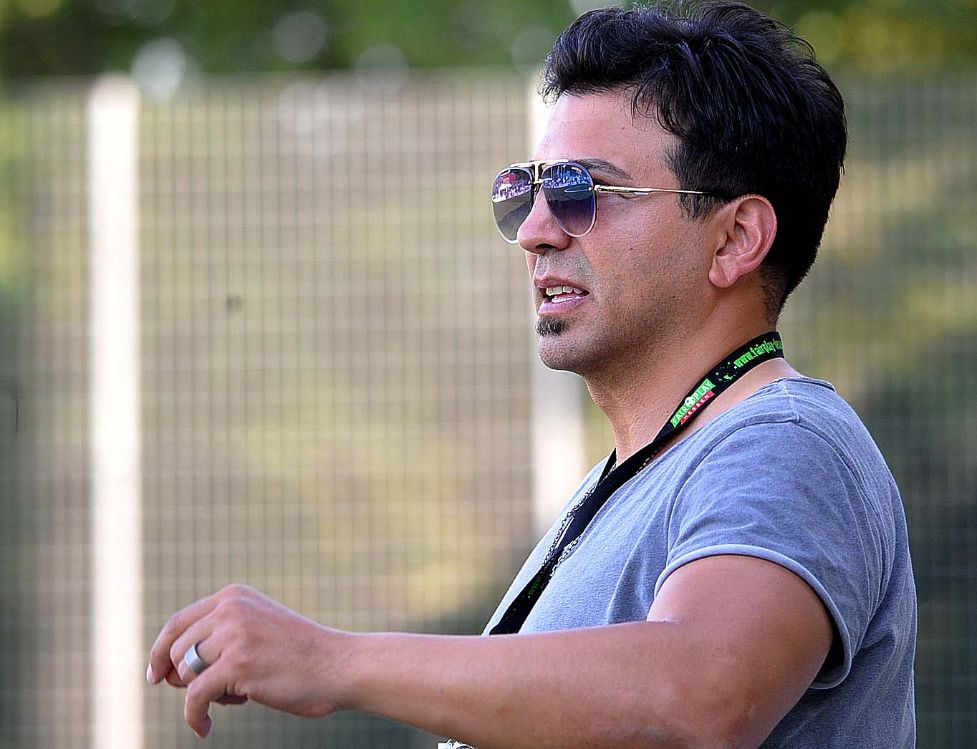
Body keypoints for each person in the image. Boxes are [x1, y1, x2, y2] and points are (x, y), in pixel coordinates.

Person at [147, 2, 917, 746]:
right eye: (527, 191)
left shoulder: (786, 442)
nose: (535, 231)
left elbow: (700, 695)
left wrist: (331, 660)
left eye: (583, 191)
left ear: (734, 238)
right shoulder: (628, 482)